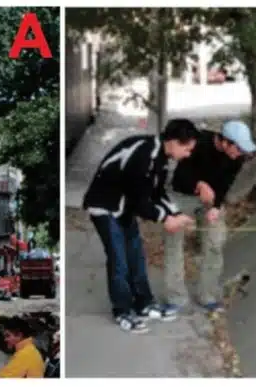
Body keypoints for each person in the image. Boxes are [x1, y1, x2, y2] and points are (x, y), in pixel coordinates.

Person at [81, 119, 199, 333]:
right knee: (119, 260)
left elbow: (157, 193)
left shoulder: (161, 159)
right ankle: (123, 311)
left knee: (136, 255)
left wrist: (177, 214)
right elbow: (140, 200)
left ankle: (144, 304)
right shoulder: (143, 154)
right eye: (187, 148)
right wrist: (165, 219)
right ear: (173, 142)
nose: (188, 154)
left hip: (124, 208)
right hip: (105, 207)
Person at [164, 119, 256, 315]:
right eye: (238, 148)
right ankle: (176, 298)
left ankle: (207, 295)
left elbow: (226, 183)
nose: (239, 154)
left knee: (215, 242)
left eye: (242, 151)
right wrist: (199, 185)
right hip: (183, 196)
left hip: (210, 201)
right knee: (174, 244)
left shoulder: (237, 158)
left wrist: (215, 206)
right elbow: (179, 178)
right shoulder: (197, 142)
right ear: (225, 142)